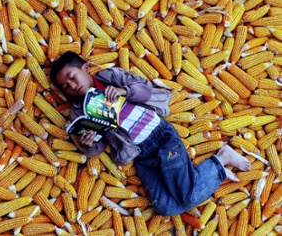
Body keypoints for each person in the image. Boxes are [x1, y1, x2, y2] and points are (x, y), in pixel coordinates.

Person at [49, 51, 251, 216]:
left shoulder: (111, 77)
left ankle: (221, 159)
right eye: (66, 87)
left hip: (161, 138)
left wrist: (123, 92)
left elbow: (145, 90)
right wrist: (89, 143)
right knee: (165, 207)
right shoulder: (79, 111)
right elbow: (98, 148)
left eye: (72, 77)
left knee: (187, 195)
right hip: (141, 155)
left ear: (85, 68)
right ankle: (210, 174)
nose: (73, 86)